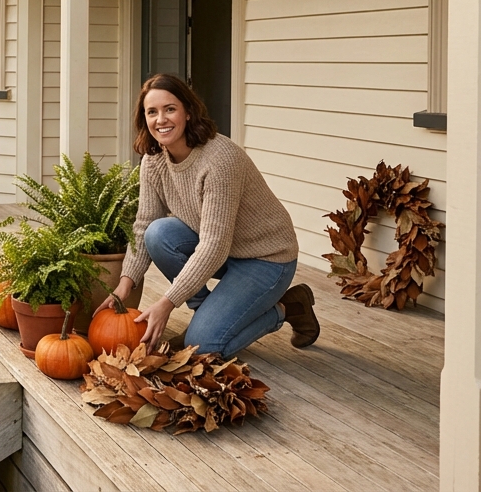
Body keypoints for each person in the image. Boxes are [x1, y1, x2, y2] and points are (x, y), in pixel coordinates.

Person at [96, 73, 319, 357]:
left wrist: (167, 303)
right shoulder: (153, 161)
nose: (161, 119)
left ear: (188, 112)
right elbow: (143, 226)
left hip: (267, 259)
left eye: (170, 109)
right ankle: (209, 315)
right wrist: (124, 285)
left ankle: (290, 307)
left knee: (205, 347)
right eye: (152, 112)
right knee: (158, 233)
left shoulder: (219, 160)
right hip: (226, 251)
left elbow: (214, 246)